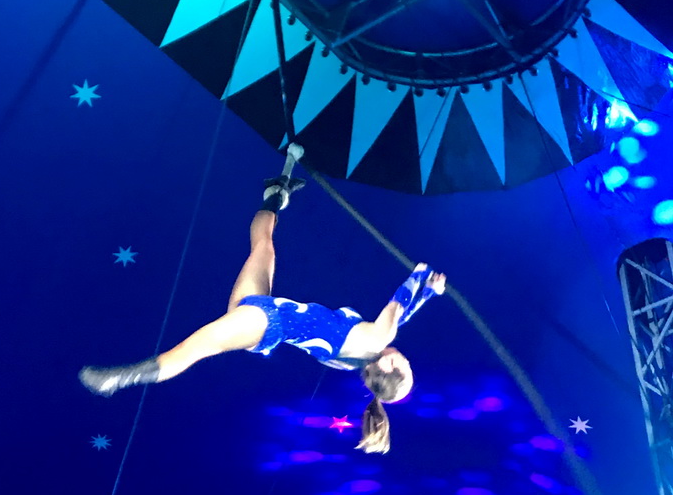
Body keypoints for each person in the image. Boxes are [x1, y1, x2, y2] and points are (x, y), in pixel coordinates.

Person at [79, 147, 445, 453]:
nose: (409, 362)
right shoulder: (357, 358)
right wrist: (428, 290)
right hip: (264, 312)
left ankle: (119, 378)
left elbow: (397, 308)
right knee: (264, 247)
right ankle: (278, 191)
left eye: (407, 370)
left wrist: (421, 275)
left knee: (196, 348)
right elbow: (403, 316)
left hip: (264, 323)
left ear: (390, 368)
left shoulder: (376, 341)